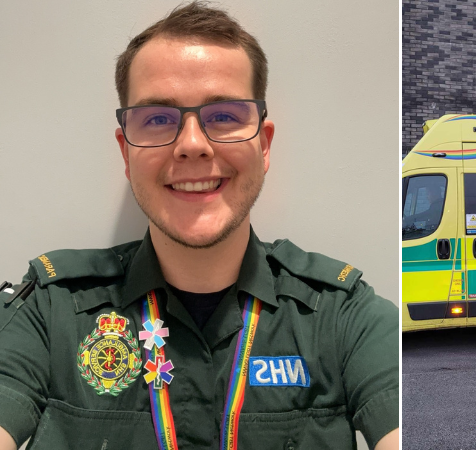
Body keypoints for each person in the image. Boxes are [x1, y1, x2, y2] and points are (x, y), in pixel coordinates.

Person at [0, 3, 398, 450]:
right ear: (125, 152)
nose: (192, 145)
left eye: (224, 116)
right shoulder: (48, 313)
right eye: (156, 119)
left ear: (263, 146)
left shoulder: (343, 318)